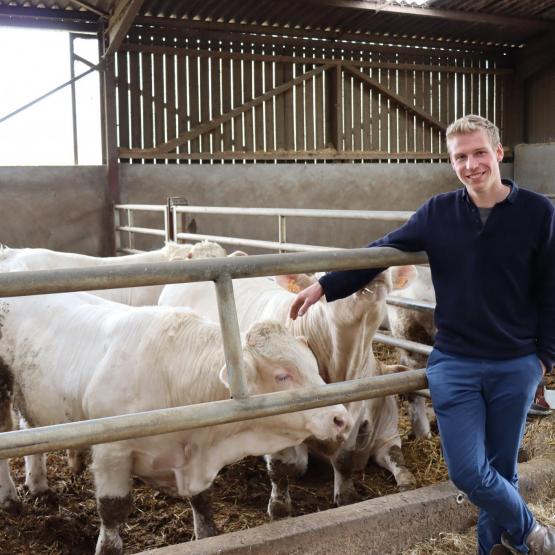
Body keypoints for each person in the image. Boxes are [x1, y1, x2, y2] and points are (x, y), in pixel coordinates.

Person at [289, 115, 555, 555]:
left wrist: (543, 359)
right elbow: (381, 249)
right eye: (460, 157)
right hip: (455, 363)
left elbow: (550, 288)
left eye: (479, 153)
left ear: (498, 153)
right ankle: (534, 534)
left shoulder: (537, 212)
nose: (471, 165)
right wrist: (325, 284)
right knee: (469, 473)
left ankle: (501, 549)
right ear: (451, 162)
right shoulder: (439, 212)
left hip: (516, 364)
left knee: (502, 471)